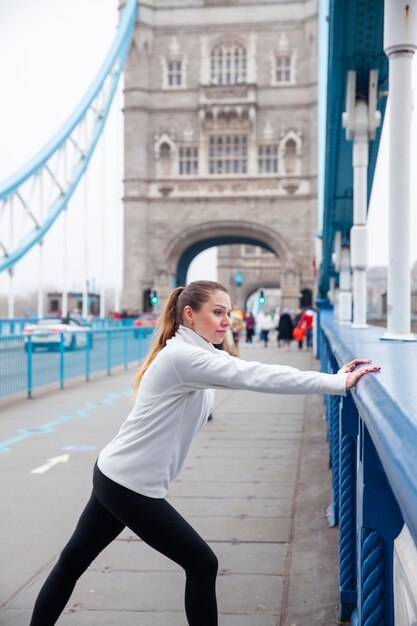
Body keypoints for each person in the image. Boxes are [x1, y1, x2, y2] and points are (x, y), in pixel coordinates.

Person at [29, 280, 380, 626]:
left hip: (115, 473)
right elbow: (255, 374)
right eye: (217, 312)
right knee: (201, 563)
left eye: (228, 312)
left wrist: (334, 379)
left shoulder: (197, 352)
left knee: (72, 562)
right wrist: (335, 382)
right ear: (189, 315)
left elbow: (243, 371)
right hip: (128, 484)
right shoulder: (184, 357)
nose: (227, 320)